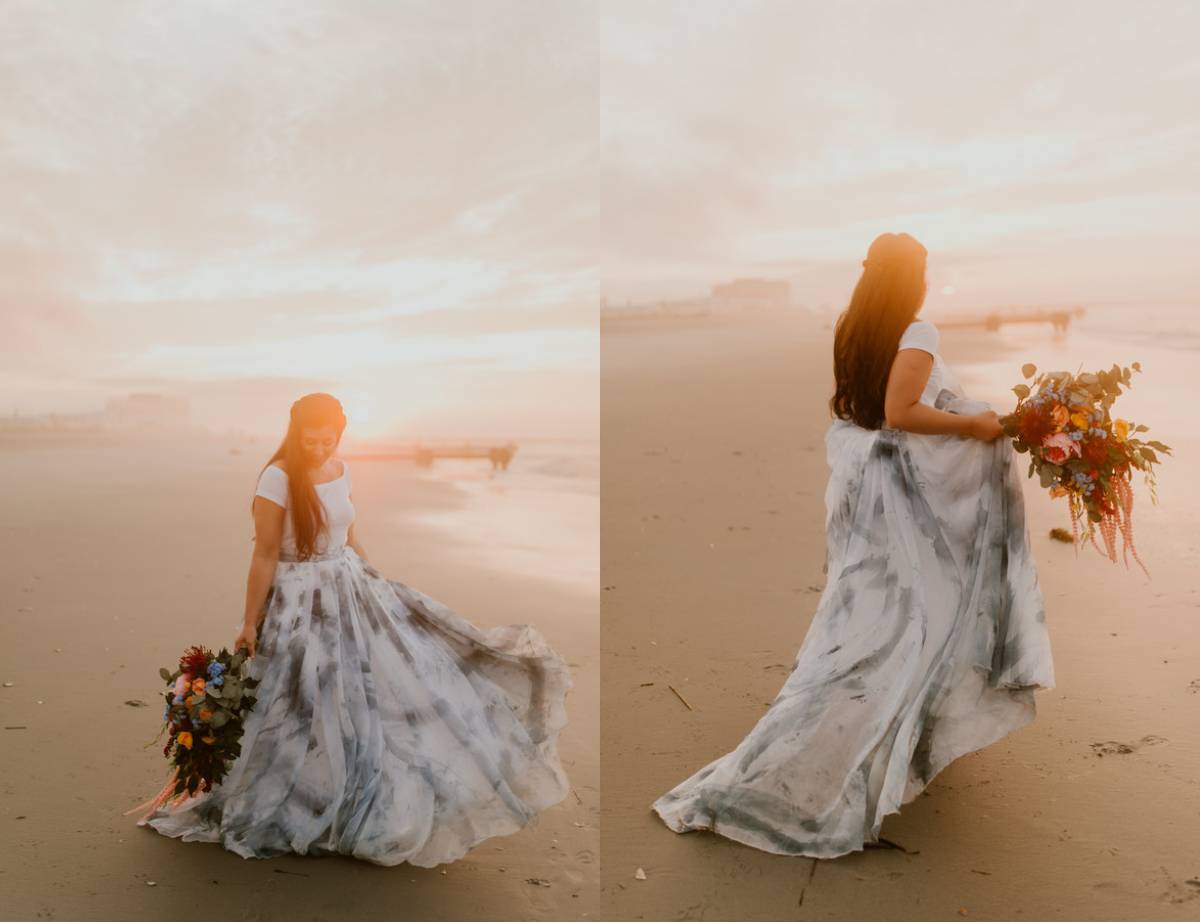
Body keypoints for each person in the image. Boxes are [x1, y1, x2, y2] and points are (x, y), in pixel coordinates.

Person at [651, 232, 1056, 859]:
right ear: (914, 279)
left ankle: (877, 727)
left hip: (865, 488)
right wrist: (974, 424)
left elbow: (870, 409)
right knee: (917, 617)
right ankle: (873, 737)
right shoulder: (917, 331)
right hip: (900, 496)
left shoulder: (852, 327)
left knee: (871, 617)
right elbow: (900, 412)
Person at [133, 393, 573, 867]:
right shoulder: (277, 477)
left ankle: (354, 788)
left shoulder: (340, 468)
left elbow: (348, 529)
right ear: (294, 433)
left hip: (350, 585)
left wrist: (373, 574)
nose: (320, 448)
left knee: (379, 687)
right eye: (311, 439)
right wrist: (247, 621)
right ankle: (300, 793)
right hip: (300, 600)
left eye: (329, 439)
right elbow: (263, 553)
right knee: (301, 699)